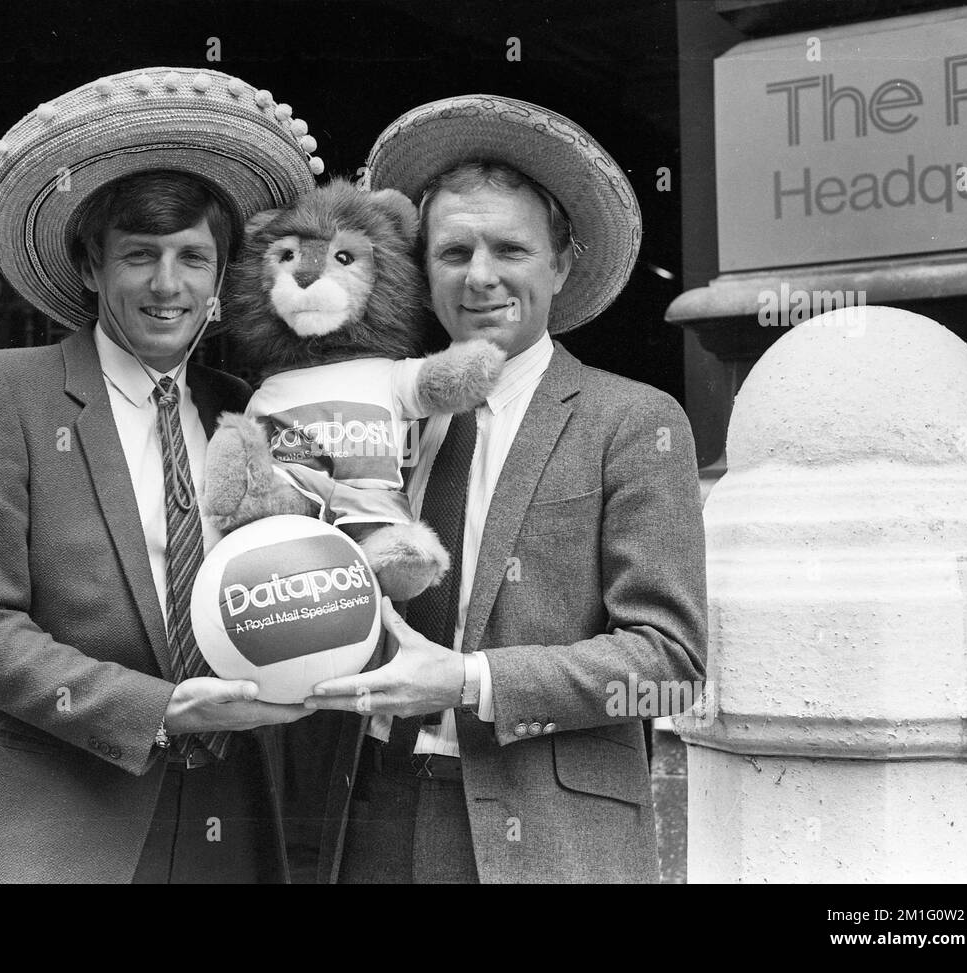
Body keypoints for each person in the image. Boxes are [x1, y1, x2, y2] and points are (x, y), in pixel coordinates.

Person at [0, 67, 323, 883]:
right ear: (90, 267)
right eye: (140, 255)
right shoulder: (5, 391)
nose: (167, 284)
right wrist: (159, 710)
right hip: (49, 828)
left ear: (219, 280)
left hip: (224, 827)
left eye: (192, 258)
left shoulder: (249, 412)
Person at [301, 95, 708, 883]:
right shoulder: (379, 413)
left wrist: (467, 681)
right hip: (363, 816)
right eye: (454, 252)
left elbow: (671, 659)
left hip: (546, 838)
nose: (480, 276)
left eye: (509, 249)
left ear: (561, 263)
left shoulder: (631, 421)